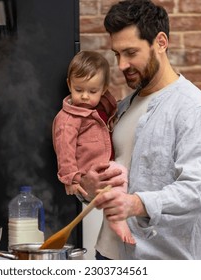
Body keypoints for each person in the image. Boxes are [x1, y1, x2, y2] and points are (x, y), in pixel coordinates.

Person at [78, 0, 201, 260]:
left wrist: (135, 203)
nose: (122, 65)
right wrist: (90, 189)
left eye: (131, 53)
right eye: (117, 54)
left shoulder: (192, 108)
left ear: (160, 42)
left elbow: (195, 191)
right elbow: (113, 182)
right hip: (109, 255)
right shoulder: (123, 106)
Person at [52, 50, 135, 244]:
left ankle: (118, 218)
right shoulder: (68, 119)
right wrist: (70, 179)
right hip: (88, 172)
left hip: (106, 165)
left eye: (92, 91)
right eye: (78, 89)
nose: (85, 96)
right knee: (119, 178)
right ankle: (117, 221)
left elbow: (111, 114)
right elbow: (64, 150)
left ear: (104, 89)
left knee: (122, 179)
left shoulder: (102, 107)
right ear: (69, 85)